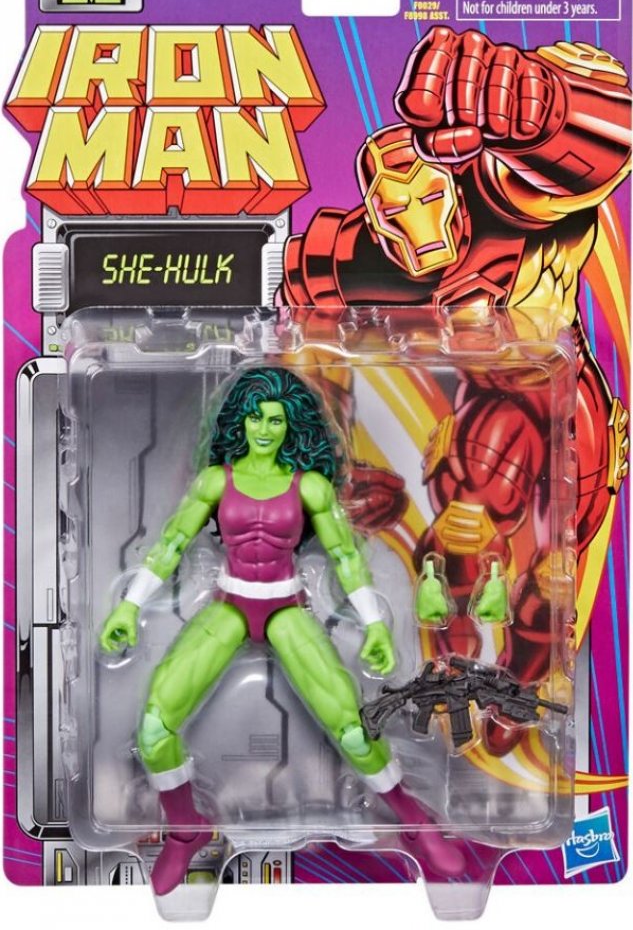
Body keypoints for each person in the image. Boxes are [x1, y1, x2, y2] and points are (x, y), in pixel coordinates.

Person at [100, 366, 465, 895]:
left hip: (286, 606)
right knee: (155, 730)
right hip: (229, 605)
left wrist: (375, 625)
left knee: (353, 730)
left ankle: (415, 822)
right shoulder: (215, 481)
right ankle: (184, 828)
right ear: (240, 422)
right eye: (256, 418)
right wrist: (128, 607)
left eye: (275, 420)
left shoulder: (309, 487)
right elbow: (170, 545)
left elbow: (346, 558)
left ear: (290, 424)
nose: (265, 429)